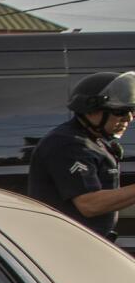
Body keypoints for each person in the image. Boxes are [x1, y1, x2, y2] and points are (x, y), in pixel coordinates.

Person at [28, 72, 135, 240]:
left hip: (86, 242)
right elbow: (90, 204)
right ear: (91, 111)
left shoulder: (94, 141)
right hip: (65, 244)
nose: (128, 119)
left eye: (132, 111)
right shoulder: (68, 144)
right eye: (120, 111)